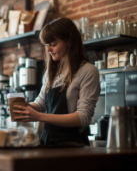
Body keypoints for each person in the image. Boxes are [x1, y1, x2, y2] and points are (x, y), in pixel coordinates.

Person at [13, 17, 100, 146]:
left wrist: (39, 117)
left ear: (69, 41)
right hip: (47, 142)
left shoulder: (87, 71)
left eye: (53, 44)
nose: (48, 49)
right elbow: (41, 103)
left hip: (73, 146)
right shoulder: (51, 73)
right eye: (46, 45)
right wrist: (27, 106)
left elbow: (83, 117)